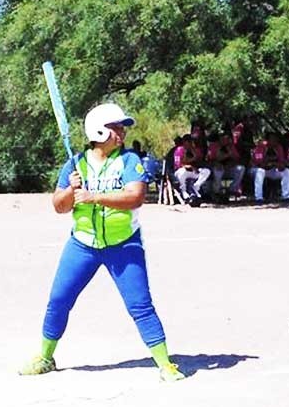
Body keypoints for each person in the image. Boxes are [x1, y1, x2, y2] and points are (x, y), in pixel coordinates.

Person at [19, 103, 185, 382]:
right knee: (58, 301)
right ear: (99, 131)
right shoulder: (75, 165)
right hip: (82, 245)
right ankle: (45, 357)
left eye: (122, 127)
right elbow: (59, 206)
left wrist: (94, 196)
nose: (122, 132)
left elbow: (136, 197)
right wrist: (72, 189)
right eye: (116, 127)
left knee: (140, 305)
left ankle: (164, 364)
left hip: (124, 245)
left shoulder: (129, 160)